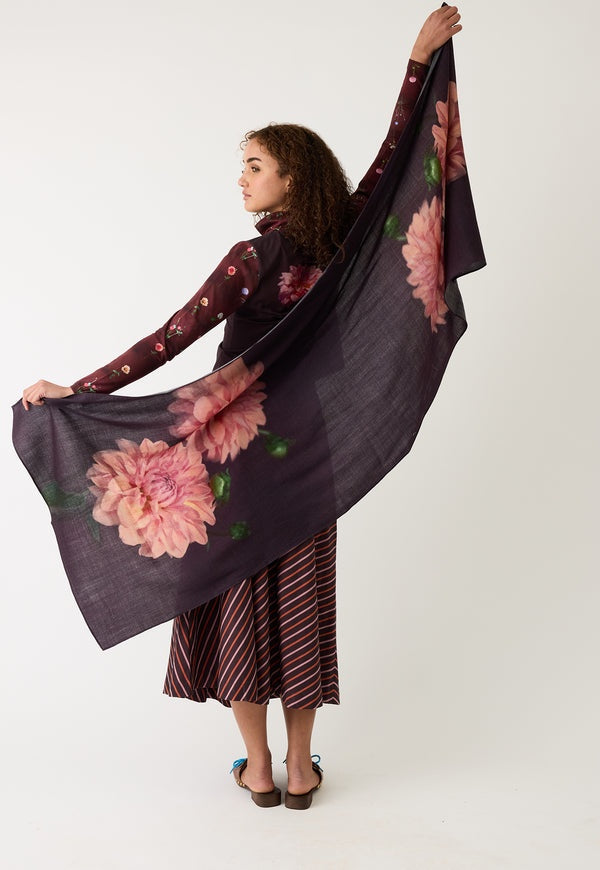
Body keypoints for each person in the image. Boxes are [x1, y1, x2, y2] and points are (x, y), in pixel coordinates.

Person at [21, 6, 462, 809]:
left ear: (291, 178)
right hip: (312, 451)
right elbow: (394, 158)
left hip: (235, 451)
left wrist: (79, 391)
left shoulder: (252, 258)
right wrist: (417, 63)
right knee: (300, 598)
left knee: (237, 599)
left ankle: (257, 770)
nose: (242, 178)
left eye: (255, 165)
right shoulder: (345, 244)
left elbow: (170, 338)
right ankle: (302, 769)